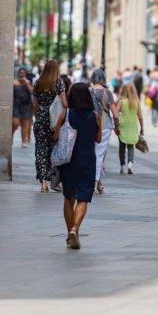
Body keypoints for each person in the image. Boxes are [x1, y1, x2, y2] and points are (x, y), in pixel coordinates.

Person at [54, 84, 102, 250]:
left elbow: (55, 136)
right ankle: (75, 229)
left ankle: (70, 235)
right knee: (83, 198)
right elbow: (99, 139)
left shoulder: (65, 114)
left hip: (68, 160)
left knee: (69, 197)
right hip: (87, 160)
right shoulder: (95, 116)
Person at [32, 60, 67, 193]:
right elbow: (64, 103)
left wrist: (37, 117)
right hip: (55, 122)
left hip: (40, 120)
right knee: (53, 150)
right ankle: (54, 180)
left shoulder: (38, 83)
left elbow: (34, 105)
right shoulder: (59, 83)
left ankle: (43, 184)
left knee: (40, 150)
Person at [91, 68, 120, 194]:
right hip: (105, 126)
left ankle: (97, 182)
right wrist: (117, 126)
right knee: (99, 154)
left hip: (90, 125)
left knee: (91, 153)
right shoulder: (107, 92)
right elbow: (115, 114)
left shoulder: (88, 91)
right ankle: (94, 182)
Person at [117, 82, 144, 174]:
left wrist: (116, 124)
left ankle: (122, 165)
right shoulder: (136, 102)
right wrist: (142, 128)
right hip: (133, 126)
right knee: (131, 145)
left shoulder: (121, 101)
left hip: (123, 125)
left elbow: (115, 114)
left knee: (122, 146)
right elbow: (140, 117)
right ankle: (130, 164)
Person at [12, 67, 34, 149]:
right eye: (20, 73)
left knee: (25, 123)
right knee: (15, 123)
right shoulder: (14, 82)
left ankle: (24, 140)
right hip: (16, 106)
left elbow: (32, 92)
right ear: (18, 74)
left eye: (23, 73)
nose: (21, 75)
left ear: (25, 75)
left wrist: (27, 84)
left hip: (26, 106)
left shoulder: (28, 83)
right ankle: (12, 133)